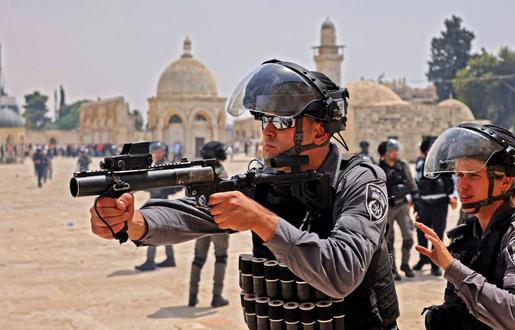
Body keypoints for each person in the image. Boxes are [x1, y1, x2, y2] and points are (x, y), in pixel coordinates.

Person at [89, 59, 400, 328]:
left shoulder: (360, 181)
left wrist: (261, 220)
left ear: (319, 130)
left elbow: (341, 272)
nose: (267, 131)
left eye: (282, 120)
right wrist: (134, 222)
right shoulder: (266, 181)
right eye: (264, 119)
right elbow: (194, 212)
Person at [416, 123, 515, 329]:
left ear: (505, 182)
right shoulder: (473, 231)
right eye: (459, 175)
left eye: (473, 175)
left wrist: (453, 268)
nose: (462, 185)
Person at [188, 141, 230, 308]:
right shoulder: (220, 171)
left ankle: (192, 296)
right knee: (221, 257)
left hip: (200, 221)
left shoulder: (198, 171)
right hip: (218, 221)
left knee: (198, 258)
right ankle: (216, 297)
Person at [413, 136, 457, 276]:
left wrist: (453, 196)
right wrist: (414, 200)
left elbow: (453, 180)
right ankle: (423, 259)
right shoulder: (420, 163)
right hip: (423, 203)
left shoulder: (445, 164)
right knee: (421, 233)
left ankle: (435, 264)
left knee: (437, 234)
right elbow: (415, 181)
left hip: (440, 203)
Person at [134, 142, 181, 271]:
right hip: (159, 199)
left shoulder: (164, 165)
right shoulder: (159, 164)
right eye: (154, 151)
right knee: (165, 230)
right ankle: (170, 258)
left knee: (152, 230)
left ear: (163, 152)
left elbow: (158, 184)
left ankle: (150, 261)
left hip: (160, 200)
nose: (155, 153)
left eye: (157, 151)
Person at [378, 138, 419, 280]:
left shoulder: (403, 166)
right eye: (391, 151)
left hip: (402, 206)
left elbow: (412, 184)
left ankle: (405, 264)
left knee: (408, 237)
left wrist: (415, 201)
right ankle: (392, 268)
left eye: (396, 150)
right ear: (384, 153)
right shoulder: (379, 169)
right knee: (388, 240)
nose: (395, 153)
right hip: (387, 209)